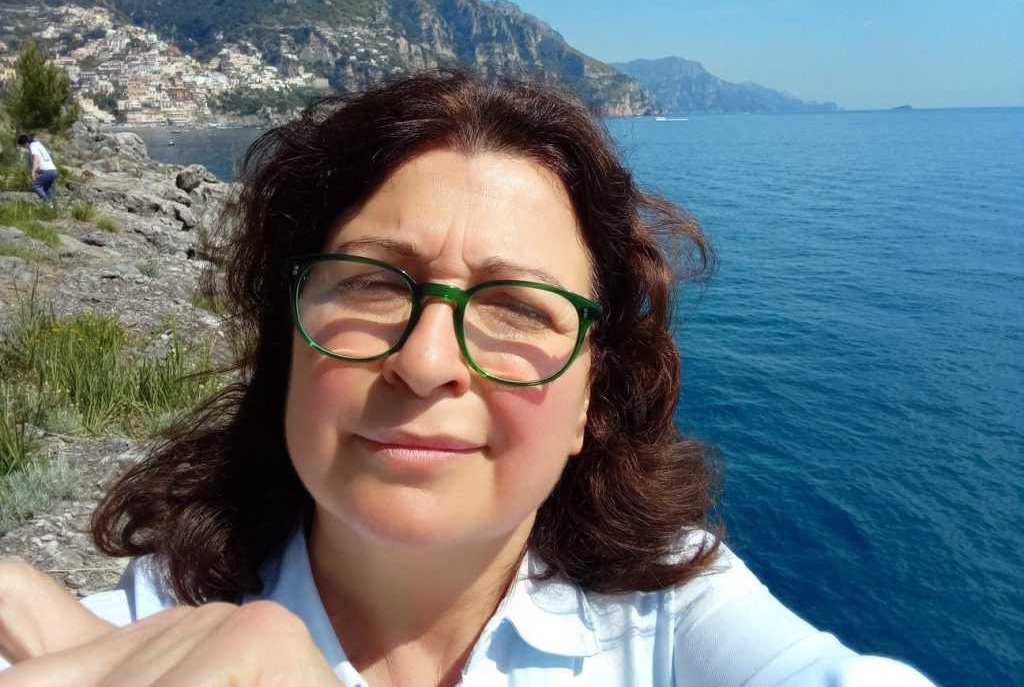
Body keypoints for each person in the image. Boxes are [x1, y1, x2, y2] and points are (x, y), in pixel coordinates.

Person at [0, 71, 935, 686]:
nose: (426, 361)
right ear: (288, 341)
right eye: (370, 284)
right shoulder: (133, 635)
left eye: (518, 307)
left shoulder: (669, 617)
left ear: (590, 398)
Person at [16, 133, 58, 203]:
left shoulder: (32, 146)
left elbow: (36, 159)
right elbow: (41, 159)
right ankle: (53, 205)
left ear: (26, 143)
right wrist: (36, 170)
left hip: (46, 170)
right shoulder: (38, 144)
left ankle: (47, 202)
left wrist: (33, 172)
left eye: (23, 145)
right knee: (47, 188)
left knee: (35, 186)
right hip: (53, 170)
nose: (24, 147)